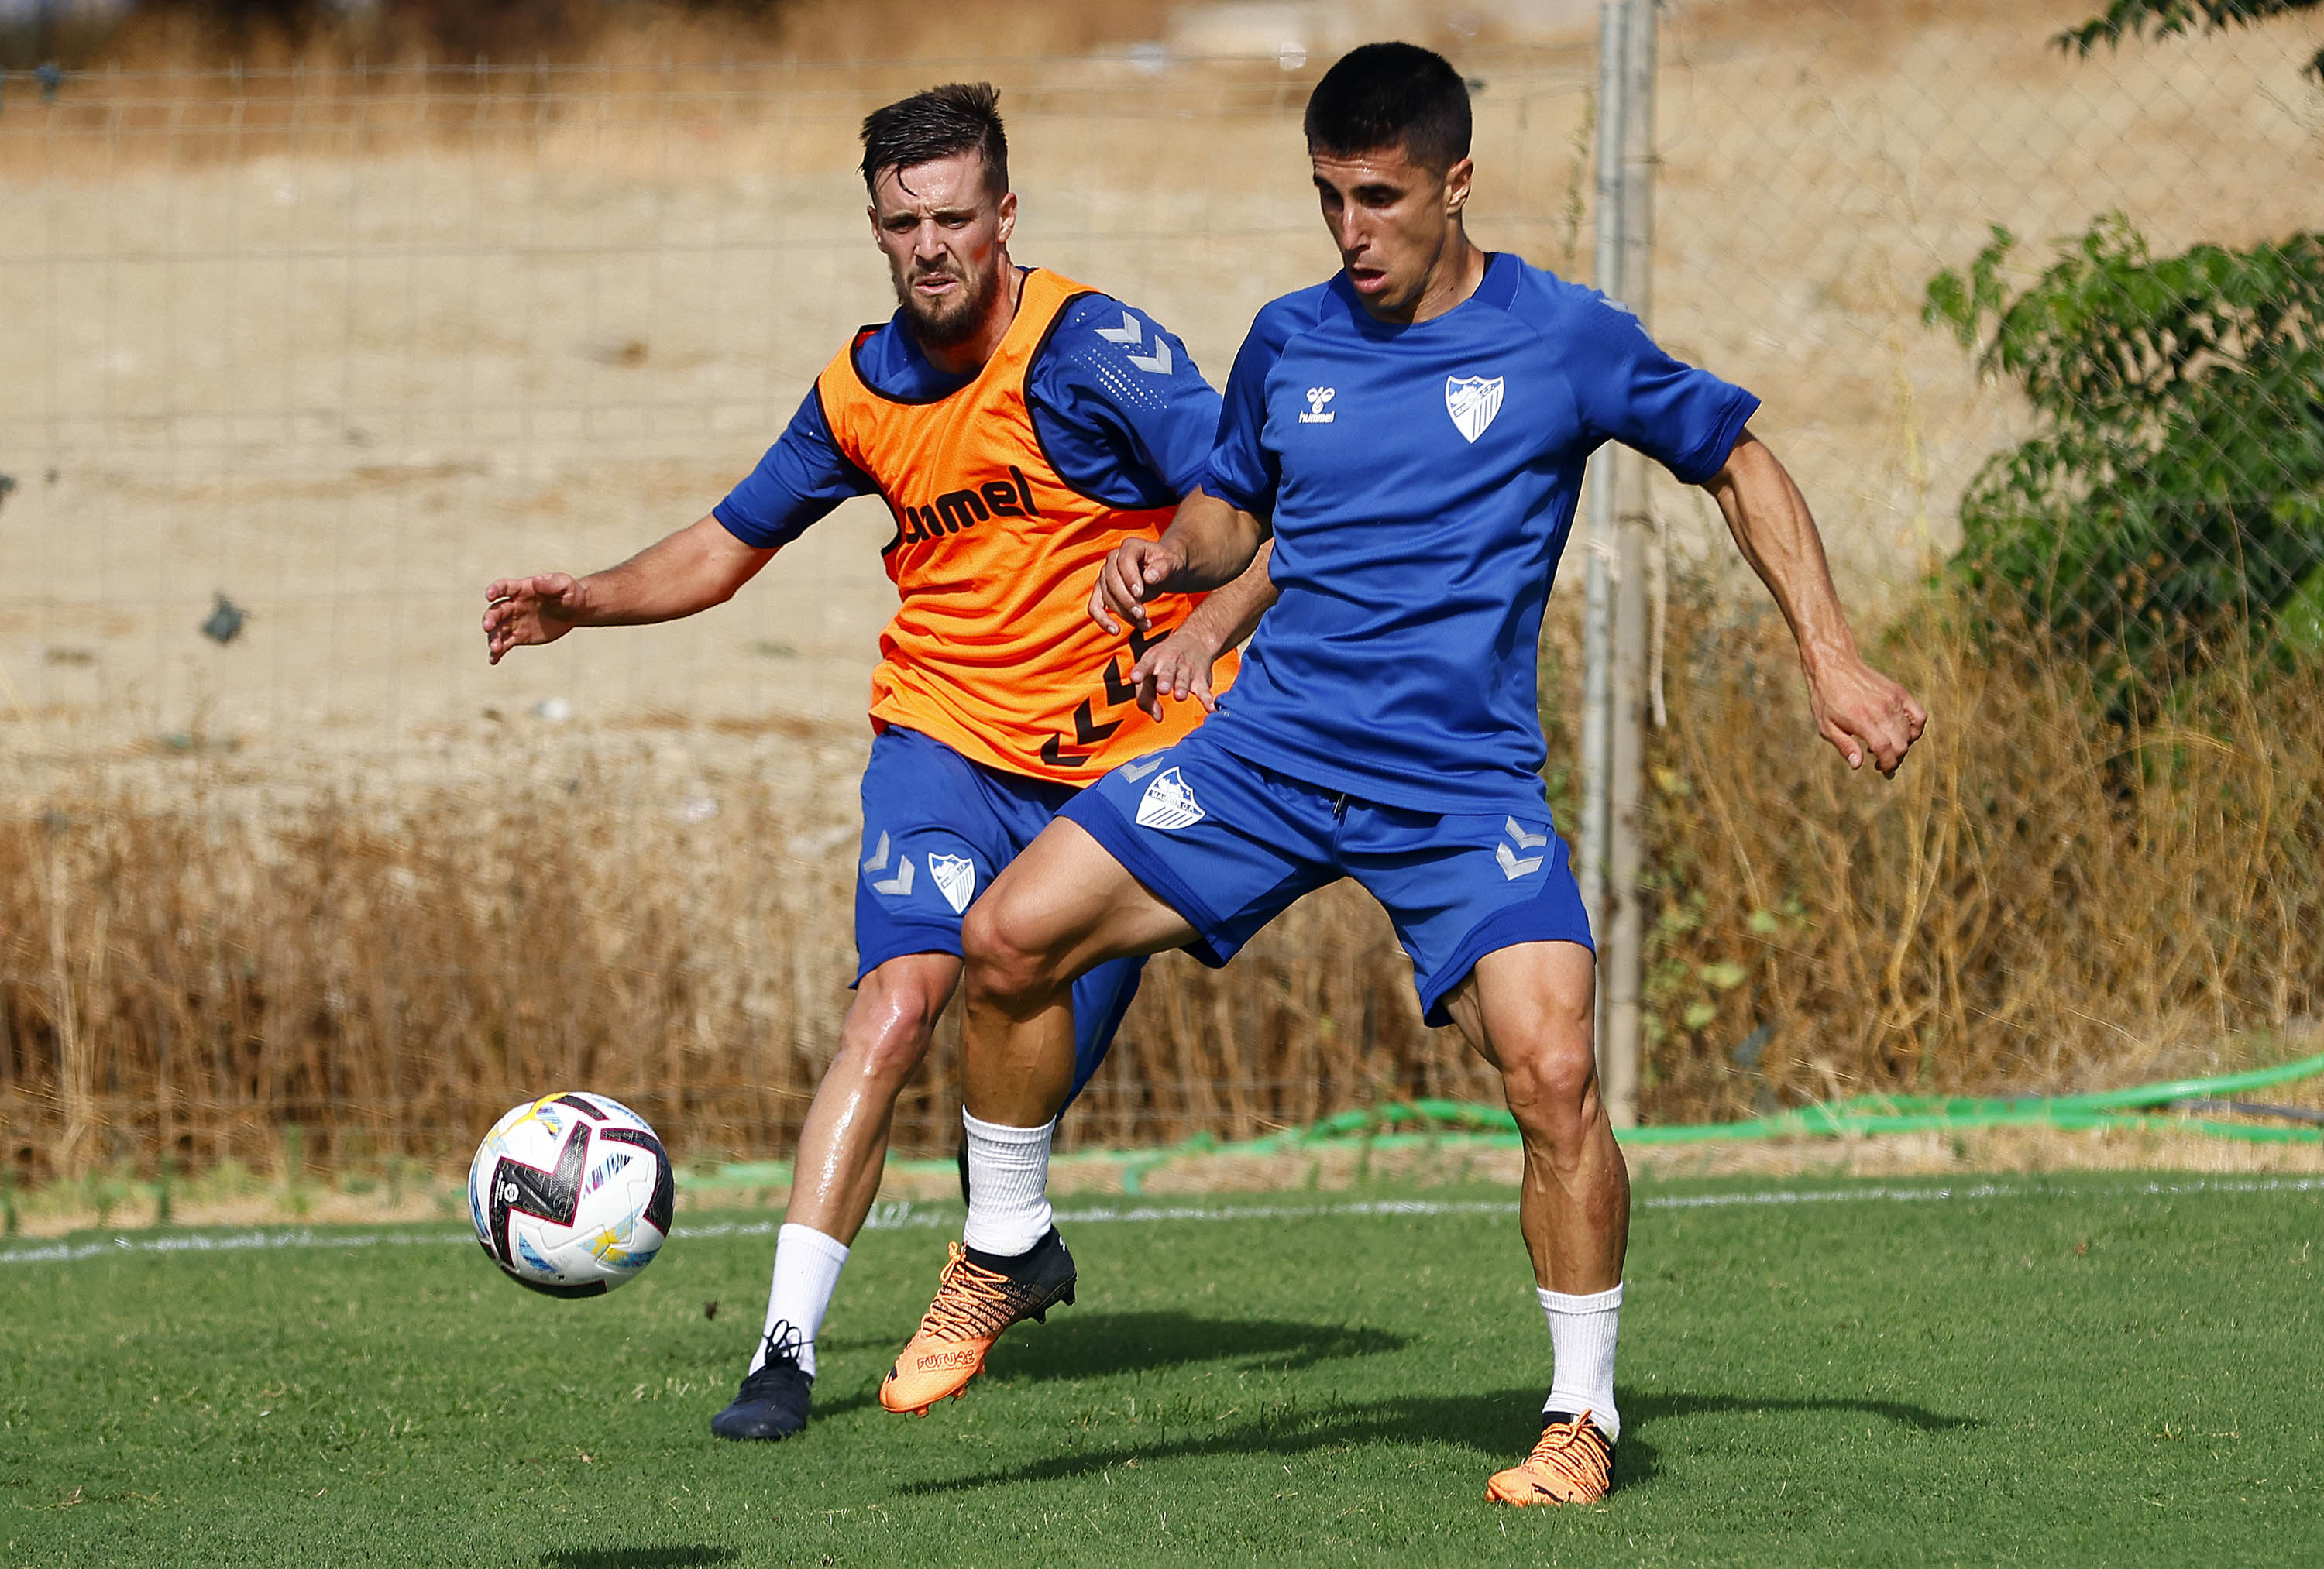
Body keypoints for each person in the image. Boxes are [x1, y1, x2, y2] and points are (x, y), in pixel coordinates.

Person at [875, 43, 1927, 1507]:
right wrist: (1168, 557)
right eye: (1327, 199)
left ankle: (1581, 1417)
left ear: (1456, 184)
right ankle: (1003, 1246)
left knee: (1555, 1074)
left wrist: (1833, 657)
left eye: (1378, 198)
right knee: (1004, 939)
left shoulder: (1561, 339)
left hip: (1458, 787)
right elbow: (1234, 510)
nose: (1350, 231)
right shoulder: (1289, 337)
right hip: (1269, 756)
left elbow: (1739, 460)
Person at [481, 82, 1275, 1445]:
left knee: (1004, 1092)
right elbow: (727, 544)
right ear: (874, 225)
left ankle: (1012, 1242)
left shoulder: (1092, 350)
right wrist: (585, 601)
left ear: (1005, 215)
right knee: (896, 1004)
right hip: (943, 740)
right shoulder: (860, 387)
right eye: (903, 221)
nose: (930, 246)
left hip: (1117, 771)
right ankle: (783, 1356)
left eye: (955, 217)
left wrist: (1196, 606)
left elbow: (1245, 495)